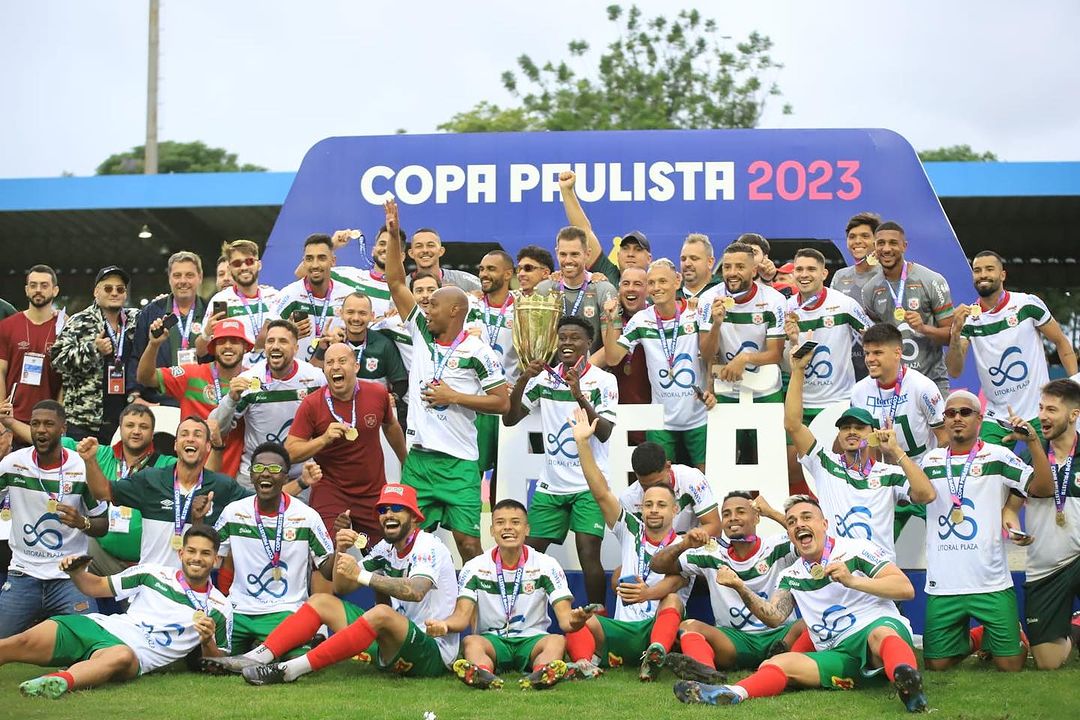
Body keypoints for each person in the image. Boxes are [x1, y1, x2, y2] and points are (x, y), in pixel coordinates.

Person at [674, 495, 927, 713]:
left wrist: (852, 581)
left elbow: (904, 588)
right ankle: (730, 693)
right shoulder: (791, 575)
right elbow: (773, 616)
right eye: (792, 521)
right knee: (776, 664)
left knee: (880, 635)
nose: (799, 524)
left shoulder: (855, 549)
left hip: (877, 633)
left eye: (807, 517)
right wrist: (741, 587)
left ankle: (908, 685)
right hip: (838, 652)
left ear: (824, 524)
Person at [205, 483, 459, 683]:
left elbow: (415, 591)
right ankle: (255, 658)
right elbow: (342, 588)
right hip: (395, 643)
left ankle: (289, 669)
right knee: (321, 601)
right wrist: (341, 549)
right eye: (383, 510)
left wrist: (360, 575)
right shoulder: (385, 548)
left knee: (380, 612)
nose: (388, 515)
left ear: (415, 517)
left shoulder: (428, 545)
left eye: (396, 509)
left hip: (432, 651)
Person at [384, 199, 509, 561]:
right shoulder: (421, 331)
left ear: (455, 310)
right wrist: (394, 235)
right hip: (420, 462)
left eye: (434, 304)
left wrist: (453, 396)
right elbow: (395, 280)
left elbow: (501, 402)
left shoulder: (478, 351)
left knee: (469, 546)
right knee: (405, 545)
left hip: (459, 464)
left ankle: (483, 613)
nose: (426, 307)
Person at [0, 525, 231, 699]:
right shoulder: (151, 574)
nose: (197, 559)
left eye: (205, 553)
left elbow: (217, 663)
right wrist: (77, 572)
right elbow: (95, 587)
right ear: (181, 553)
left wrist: (207, 639)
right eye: (191, 551)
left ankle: (57, 681)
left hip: (135, 654)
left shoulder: (220, 607)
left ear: (216, 559)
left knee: (119, 655)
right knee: (19, 642)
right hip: (101, 626)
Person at [918, 390, 1050, 672]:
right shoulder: (931, 462)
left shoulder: (998, 456)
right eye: (950, 413)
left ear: (979, 419)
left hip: (991, 582)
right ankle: (978, 638)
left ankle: (1010, 635)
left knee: (1011, 665)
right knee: (935, 664)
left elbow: (1043, 489)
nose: (957, 418)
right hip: (945, 583)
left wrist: (1034, 442)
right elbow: (913, 494)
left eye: (965, 412)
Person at [567, 408, 689, 680]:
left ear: (675, 510)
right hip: (623, 629)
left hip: (654, 627)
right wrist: (582, 444)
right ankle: (585, 664)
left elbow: (678, 582)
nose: (654, 510)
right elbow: (600, 491)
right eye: (648, 505)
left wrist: (648, 593)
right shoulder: (630, 529)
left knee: (671, 600)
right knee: (576, 619)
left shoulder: (683, 544)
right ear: (641, 508)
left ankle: (655, 654)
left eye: (661, 505)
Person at [503, 317, 618, 606]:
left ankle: (597, 622)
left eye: (574, 338)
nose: (567, 343)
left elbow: (603, 432)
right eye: (562, 338)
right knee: (528, 553)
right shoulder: (544, 379)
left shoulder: (603, 380)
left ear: (588, 343)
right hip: (551, 485)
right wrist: (523, 379)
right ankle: (521, 617)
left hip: (588, 485)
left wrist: (579, 395)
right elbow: (510, 418)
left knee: (589, 553)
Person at [784, 343, 931, 559]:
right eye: (845, 427)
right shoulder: (824, 463)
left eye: (859, 427)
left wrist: (896, 450)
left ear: (873, 433)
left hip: (878, 576)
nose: (851, 432)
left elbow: (926, 494)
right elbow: (793, 425)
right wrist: (798, 371)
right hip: (836, 569)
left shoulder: (889, 475)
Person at [1, 402, 178, 576]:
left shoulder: (167, 465)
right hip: (100, 556)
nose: (136, 431)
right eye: (130, 425)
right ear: (120, 429)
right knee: (80, 555)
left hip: (148, 562)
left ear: (153, 433)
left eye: (143, 426)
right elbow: (48, 438)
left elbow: (192, 471)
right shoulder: (98, 454)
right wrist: (10, 423)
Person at [425, 499, 583, 690]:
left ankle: (541, 673)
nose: (508, 528)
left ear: (527, 529)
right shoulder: (474, 567)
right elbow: (461, 617)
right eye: (500, 523)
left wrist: (577, 619)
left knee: (556, 641)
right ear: (492, 531)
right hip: (492, 641)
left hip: (533, 640)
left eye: (515, 522)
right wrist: (445, 625)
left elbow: (565, 620)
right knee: (471, 642)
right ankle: (483, 674)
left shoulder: (547, 565)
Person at [78, 416, 269, 568]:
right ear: (175, 445)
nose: (191, 438)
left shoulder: (222, 486)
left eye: (198, 435)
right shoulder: (150, 479)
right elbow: (102, 491)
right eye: (184, 434)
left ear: (208, 446)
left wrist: (299, 483)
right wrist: (90, 460)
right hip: (151, 585)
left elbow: (263, 504)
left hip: (194, 587)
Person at [651, 492, 800, 679]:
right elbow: (657, 565)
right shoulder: (711, 552)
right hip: (733, 641)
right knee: (689, 626)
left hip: (779, 635)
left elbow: (810, 537)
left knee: (807, 624)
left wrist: (771, 512)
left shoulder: (777, 546)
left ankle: (782, 663)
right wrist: (684, 545)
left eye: (740, 512)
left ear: (756, 518)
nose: (733, 518)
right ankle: (707, 674)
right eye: (727, 514)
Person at [212, 442, 335, 654]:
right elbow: (211, 557)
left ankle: (270, 645)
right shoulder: (234, 512)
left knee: (296, 659)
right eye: (259, 468)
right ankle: (256, 646)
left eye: (275, 469)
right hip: (238, 610)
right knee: (206, 656)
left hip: (284, 610)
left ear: (286, 477)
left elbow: (326, 569)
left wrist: (340, 548)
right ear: (251, 476)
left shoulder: (306, 517)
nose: (265, 474)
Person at [0, 400, 108, 638]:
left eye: (49, 424)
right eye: (35, 424)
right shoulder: (13, 464)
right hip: (23, 574)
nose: (40, 430)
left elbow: (103, 525)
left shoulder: (81, 468)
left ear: (63, 429)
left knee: (94, 644)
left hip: (70, 577)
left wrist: (82, 522)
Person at [946, 251, 1077, 445]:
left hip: (1038, 412)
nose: (983, 275)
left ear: (1002, 275)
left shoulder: (1026, 304)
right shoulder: (969, 319)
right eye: (977, 270)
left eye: (989, 269)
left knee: (1047, 472)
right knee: (986, 471)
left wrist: (1076, 385)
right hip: (997, 417)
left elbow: (1061, 342)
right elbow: (954, 370)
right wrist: (955, 333)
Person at [286, 342, 407, 540]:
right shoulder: (312, 403)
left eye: (342, 361)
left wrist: (406, 461)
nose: (335, 367)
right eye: (329, 362)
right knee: (325, 554)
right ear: (324, 369)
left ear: (356, 366)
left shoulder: (377, 393)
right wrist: (323, 439)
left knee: (382, 553)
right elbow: (290, 452)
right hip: (331, 490)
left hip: (372, 490)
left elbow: (390, 425)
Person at [605, 259, 716, 470]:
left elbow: (711, 355)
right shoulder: (640, 320)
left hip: (698, 413)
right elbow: (612, 358)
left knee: (704, 476)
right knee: (660, 479)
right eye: (652, 282)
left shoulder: (696, 313)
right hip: (661, 419)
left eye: (663, 281)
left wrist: (711, 387)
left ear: (677, 281)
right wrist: (613, 321)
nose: (657, 288)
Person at [209, 320, 326, 483]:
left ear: (296, 348)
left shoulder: (316, 378)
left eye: (283, 341)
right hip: (255, 474)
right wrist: (231, 398)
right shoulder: (248, 380)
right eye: (270, 341)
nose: (275, 346)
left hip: (299, 475)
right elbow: (217, 429)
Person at [1014, 379, 1080, 669]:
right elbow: (1010, 510)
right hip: (1047, 567)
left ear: (1073, 415)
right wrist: (1011, 527)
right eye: (1041, 408)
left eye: (1051, 409)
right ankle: (1076, 626)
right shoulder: (1031, 453)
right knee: (1048, 662)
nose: (1042, 416)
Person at [138, 318, 250, 477]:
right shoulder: (191, 374)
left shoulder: (253, 381)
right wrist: (154, 345)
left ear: (246, 347)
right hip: (192, 477)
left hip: (235, 479)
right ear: (213, 347)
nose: (228, 346)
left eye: (235, 341)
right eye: (221, 341)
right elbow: (145, 377)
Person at [861, 221, 954, 396]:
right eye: (881, 243)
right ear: (874, 247)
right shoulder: (870, 290)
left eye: (893, 243)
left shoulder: (932, 280)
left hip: (931, 382)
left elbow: (951, 337)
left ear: (904, 246)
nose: (886, 249)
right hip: (892, 386)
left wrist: (923, 328)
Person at [50, 265, 140, 443]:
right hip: (85, 421)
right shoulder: (80, 321)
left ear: (125, 294)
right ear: (96, 292)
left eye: (119, 289)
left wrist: (162, 302)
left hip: (126, 419)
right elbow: (57, 359)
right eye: (108, 288)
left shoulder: (135, 319)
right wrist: (93, 350)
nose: (114, 293)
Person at [784, 248, 871, 422]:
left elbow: (874, 339)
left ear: (824, 273)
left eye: (811, 269)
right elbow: (784, 365)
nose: (804, 274)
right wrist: (792, 341)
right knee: (794, 451)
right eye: (799, 269)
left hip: (839, 402)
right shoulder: (785, 308)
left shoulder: (844, 304)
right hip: (800, 402)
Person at [699, 242, 787, 405]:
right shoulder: (709, 299)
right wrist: (716, 325)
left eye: (740, 267)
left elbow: (776, 354)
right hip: (726, 390)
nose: (732, 273)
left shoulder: (774, 299)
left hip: (766, 390)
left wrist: (744, 358)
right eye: (727, 267)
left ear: (753, 271)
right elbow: (706, 354)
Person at [850, 323, 948, 463]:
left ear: (897, 353)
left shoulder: (922, 387)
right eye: (867, 353)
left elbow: (944, 439)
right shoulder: (858, 392)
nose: (870, 359)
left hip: (921, 473)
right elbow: (863, 443)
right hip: (883, 478)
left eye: (878, 352)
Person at [312, 291, 408, 425]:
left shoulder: (383, 344)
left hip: (373, 415)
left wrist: (394, 397)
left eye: (362, 313)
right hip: (336, 413)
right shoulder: (332, 340)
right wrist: (322, 349)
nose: (356, 318)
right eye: (350, 312)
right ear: (341, 313)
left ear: (372, 316)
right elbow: (313, 374)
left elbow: (401, 381)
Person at [131, 251, 208, 405]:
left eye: (189, 275)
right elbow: (136, 355)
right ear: (170, 279)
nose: (183, 281)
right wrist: (134, 395)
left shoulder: (209, 311)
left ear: (200, 277)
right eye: (177, 275)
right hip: (160, 401)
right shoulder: (151, 312)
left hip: (201, 400)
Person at [471, 250, 521, 483]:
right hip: (475, 403)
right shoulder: (468, 305)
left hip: (507, 403)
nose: (484, 274)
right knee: (472, 473)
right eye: (481, 269)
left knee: (505, 478)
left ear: (508, 273)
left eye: (491, 269)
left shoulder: (523, 308)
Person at [557, 169, 652, 282]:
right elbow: (584, 231)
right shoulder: (607, 274)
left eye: (638, 249)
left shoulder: (657, 286)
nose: (630, 254)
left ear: (649, 258)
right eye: (625, 249)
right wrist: (567, 191)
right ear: (617, 255)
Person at [535, 226, 618, 354]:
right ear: (556, 253)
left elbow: (610, 350)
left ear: (587, 254)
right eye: (563, 254)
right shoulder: (544, 289)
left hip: (592, 370)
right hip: (553, 371)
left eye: (574, 254)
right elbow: (537, 340)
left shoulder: (603, 289)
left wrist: (582, 371)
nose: (568, 260)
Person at [276, 234, 356, 364]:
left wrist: (344, 335)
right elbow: (265, 337)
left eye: (321, 258)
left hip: (336, 375)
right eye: (309, 259)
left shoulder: (348, 296)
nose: (315, 265)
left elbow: (363, 335)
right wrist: (288, 332)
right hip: (299, 378)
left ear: (333, 261)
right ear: (304, 262)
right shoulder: (289, 294)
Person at [200, 239, 280, 366]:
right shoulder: (221, 300)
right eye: (237, 263)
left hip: (273, 375)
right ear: (230, 268)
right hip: (238, 378)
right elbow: (200, 351)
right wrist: (206, 333)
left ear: (259, 264)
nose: (244, 267)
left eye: (249, 261)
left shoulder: (274, 296)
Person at [0, 265, 62, 430]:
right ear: (27, 290)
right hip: (12, 418)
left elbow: (67, 379)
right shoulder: (7, 326)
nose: (38, 290)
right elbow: (0, 371)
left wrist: (61, 416)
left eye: (44, 285)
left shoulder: (65, 328)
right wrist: (1, 413)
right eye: (33, 285)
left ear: (55, 290)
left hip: (49, 421)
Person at [619, 441, 722, 537]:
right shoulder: (628, 498)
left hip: (691, 551)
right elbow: (634, 544)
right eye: (645, 487)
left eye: (658, 484)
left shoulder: (691, 478)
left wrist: (676, 546)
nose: (654, 491)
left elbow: (715, 527)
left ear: (668, 467)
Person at [599, 267, 652, 443]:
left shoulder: (656, 319)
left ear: (648, 289)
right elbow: (610, 357)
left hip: (651, 408)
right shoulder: (611, 317)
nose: (631, 289)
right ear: (619, 289)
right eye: (626, 284)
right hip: (617, 409)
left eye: (638, 284)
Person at [830, 212, 883, 380]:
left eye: (865, 236)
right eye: (852, 237)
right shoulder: (840, 276)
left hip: (879, 363)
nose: (857, 241)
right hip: (846, 365)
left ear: (877, 241)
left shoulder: (888, 275)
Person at [326, 224, 398, 319]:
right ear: (373, 251)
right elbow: (304, 274)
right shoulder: (348, 275)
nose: (386, 249)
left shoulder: (406, 291)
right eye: (382, 244)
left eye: (392, 246)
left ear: (402, 256)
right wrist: (332, 245)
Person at [406, 227, 481, 292]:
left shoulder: (464, 280)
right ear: (411, 253)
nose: (425, 250)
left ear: (441, 251)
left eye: (430, 245)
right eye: (419, 246)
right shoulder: (402, 286)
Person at [678, 234, 720, 301]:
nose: (687, 264)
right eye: (683, 259)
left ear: (710, 262)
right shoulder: (671, 291)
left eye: (694, 258)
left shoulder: (722, 289)